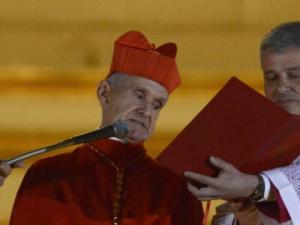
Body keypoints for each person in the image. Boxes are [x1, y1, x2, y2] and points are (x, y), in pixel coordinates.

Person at [9, 31, 203, 225]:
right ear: (104, 93)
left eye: (157, 104)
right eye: (139, 95)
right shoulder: (48, 176)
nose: (146, 111)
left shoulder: (175, 188)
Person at [184, 21, 300, 225]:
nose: (282, 87)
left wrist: (255, 186)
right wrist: (246, 217)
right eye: (271, 77)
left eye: (295, 75)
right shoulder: (255, 144)